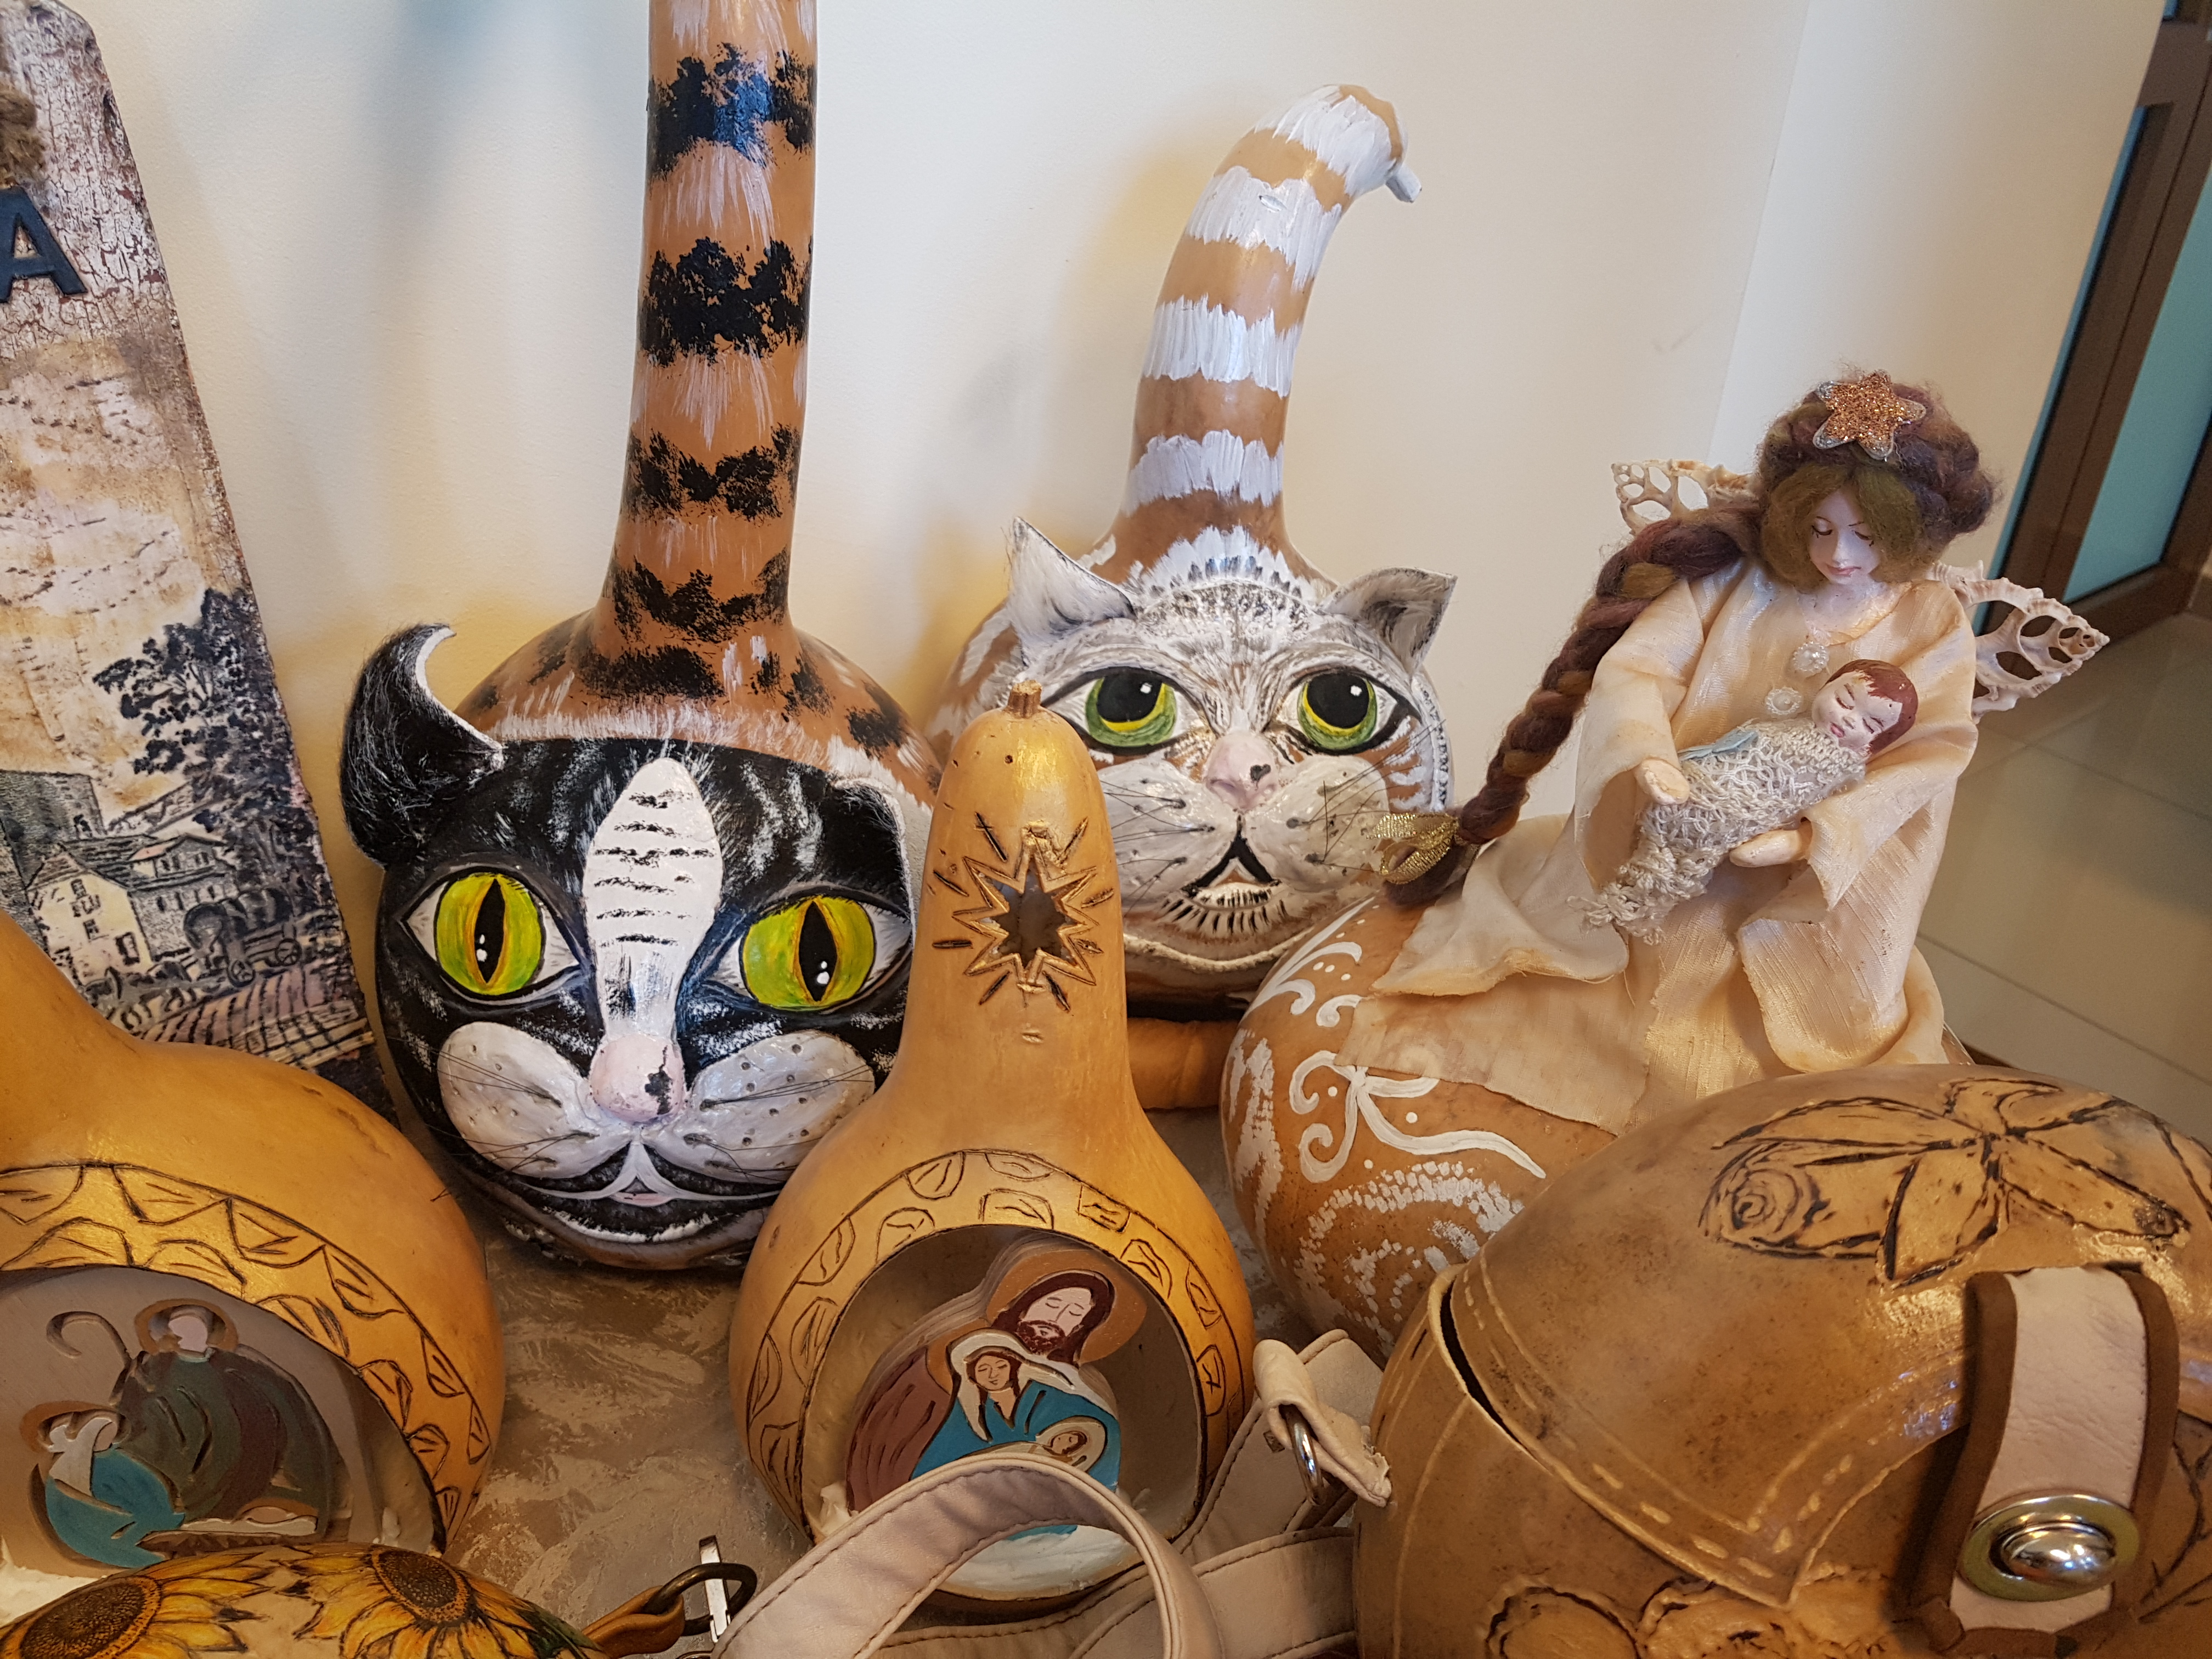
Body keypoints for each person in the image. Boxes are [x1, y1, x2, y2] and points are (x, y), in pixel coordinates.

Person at [1350, 372, 1991, 1131]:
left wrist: (1814, 837)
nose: (1839, 555)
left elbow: (1928, 754)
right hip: (1670, 839)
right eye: (1820, 529)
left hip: (1801, 890)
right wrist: (1648, 756)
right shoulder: (1738, 584)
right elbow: (1642, 670)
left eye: (1866, 536)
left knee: (1795, 1037)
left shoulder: (1930, 623)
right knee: (1607, 956)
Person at [1587, 659, 1917, 940]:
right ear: (1826, 687)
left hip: (1731, 824)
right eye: (1845, 701)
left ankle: (1634, 906)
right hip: (1695, 787)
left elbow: (1816, 809)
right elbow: (1732, 747)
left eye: (1869, 724)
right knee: (1652, 844)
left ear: (1873, 745)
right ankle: (1631, 895)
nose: (1849, 719)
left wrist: (1798, 840)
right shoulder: (1785, 728)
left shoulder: (1838, 773)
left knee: (1677, 865)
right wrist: (1678, 765)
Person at [909, 1333, 1123, 1491]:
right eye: (983, 1369)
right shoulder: (970, 1413)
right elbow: (940, 1459)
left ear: (1013, 1367)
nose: (993, 1375)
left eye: (1001, 1366)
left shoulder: (1048, 1398)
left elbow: (1100, 1428)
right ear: (972, 1376)